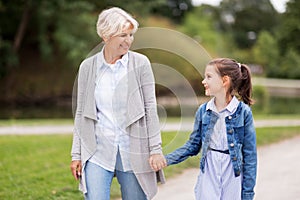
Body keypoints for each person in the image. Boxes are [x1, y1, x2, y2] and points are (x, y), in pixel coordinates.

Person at [70, 7, 166, 200]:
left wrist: (155, 150)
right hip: (97, 150)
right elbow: (81, 114)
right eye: (123, 35)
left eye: (131, 34)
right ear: (106, 36)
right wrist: (76, 154)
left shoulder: (141, 64)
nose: (128, 40)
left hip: (133, 151)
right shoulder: (88, 67)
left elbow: (150, 109)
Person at [162, 58, 257, 200]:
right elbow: (193, 145)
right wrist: (167, 159)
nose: (203, 81)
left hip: (232, 175)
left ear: (224, 81)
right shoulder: (203, 111)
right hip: (209, 172)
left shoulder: (243, 112)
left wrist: (248, 192)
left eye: (209, 77)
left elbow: (250, 156)